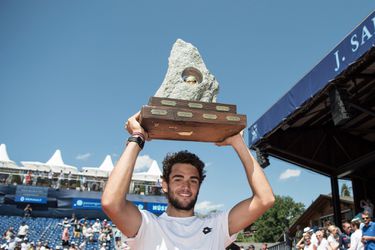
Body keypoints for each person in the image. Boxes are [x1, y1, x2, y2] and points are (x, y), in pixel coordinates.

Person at [102, 112, 275, 249]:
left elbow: (265, 199)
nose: (186, 186)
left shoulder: (217, 226)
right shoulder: (146, 226)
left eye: (193, 180)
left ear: (199, 185)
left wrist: (238, 142)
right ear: (164, 184)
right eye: (178, 179)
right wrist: (137, 137)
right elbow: (111, 203)